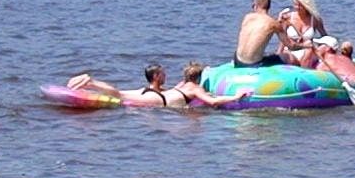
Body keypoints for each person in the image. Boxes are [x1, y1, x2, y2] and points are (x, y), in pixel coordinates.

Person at [67, 63, 251, 108]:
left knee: (119, 93)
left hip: (153, 94)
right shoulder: (194, 88)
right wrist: (237, 96)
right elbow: (212, 102)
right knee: (119, 95)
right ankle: (89, 81)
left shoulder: (183, 84)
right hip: (157, 99)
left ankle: (88, 84)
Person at [279, 0, 328, 66]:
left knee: (309, 52)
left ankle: (304, 72)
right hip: (291, 51)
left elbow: (325, 37)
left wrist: (320, 46)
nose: (297, 7)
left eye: (300, 5)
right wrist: (278, 54)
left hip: (308, 52)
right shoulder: (288, 18)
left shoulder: (315, 19)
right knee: (287, 57)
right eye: (295, 4)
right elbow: (282, 40)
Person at [235, 0, 283, 67]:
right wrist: (304, 45)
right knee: (288, 57)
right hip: (253, 65)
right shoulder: (273, 23)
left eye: (253, 5)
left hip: (237, 61)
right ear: (268, 7)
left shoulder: (247, 17)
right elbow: (291, 46)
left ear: (256, 6)